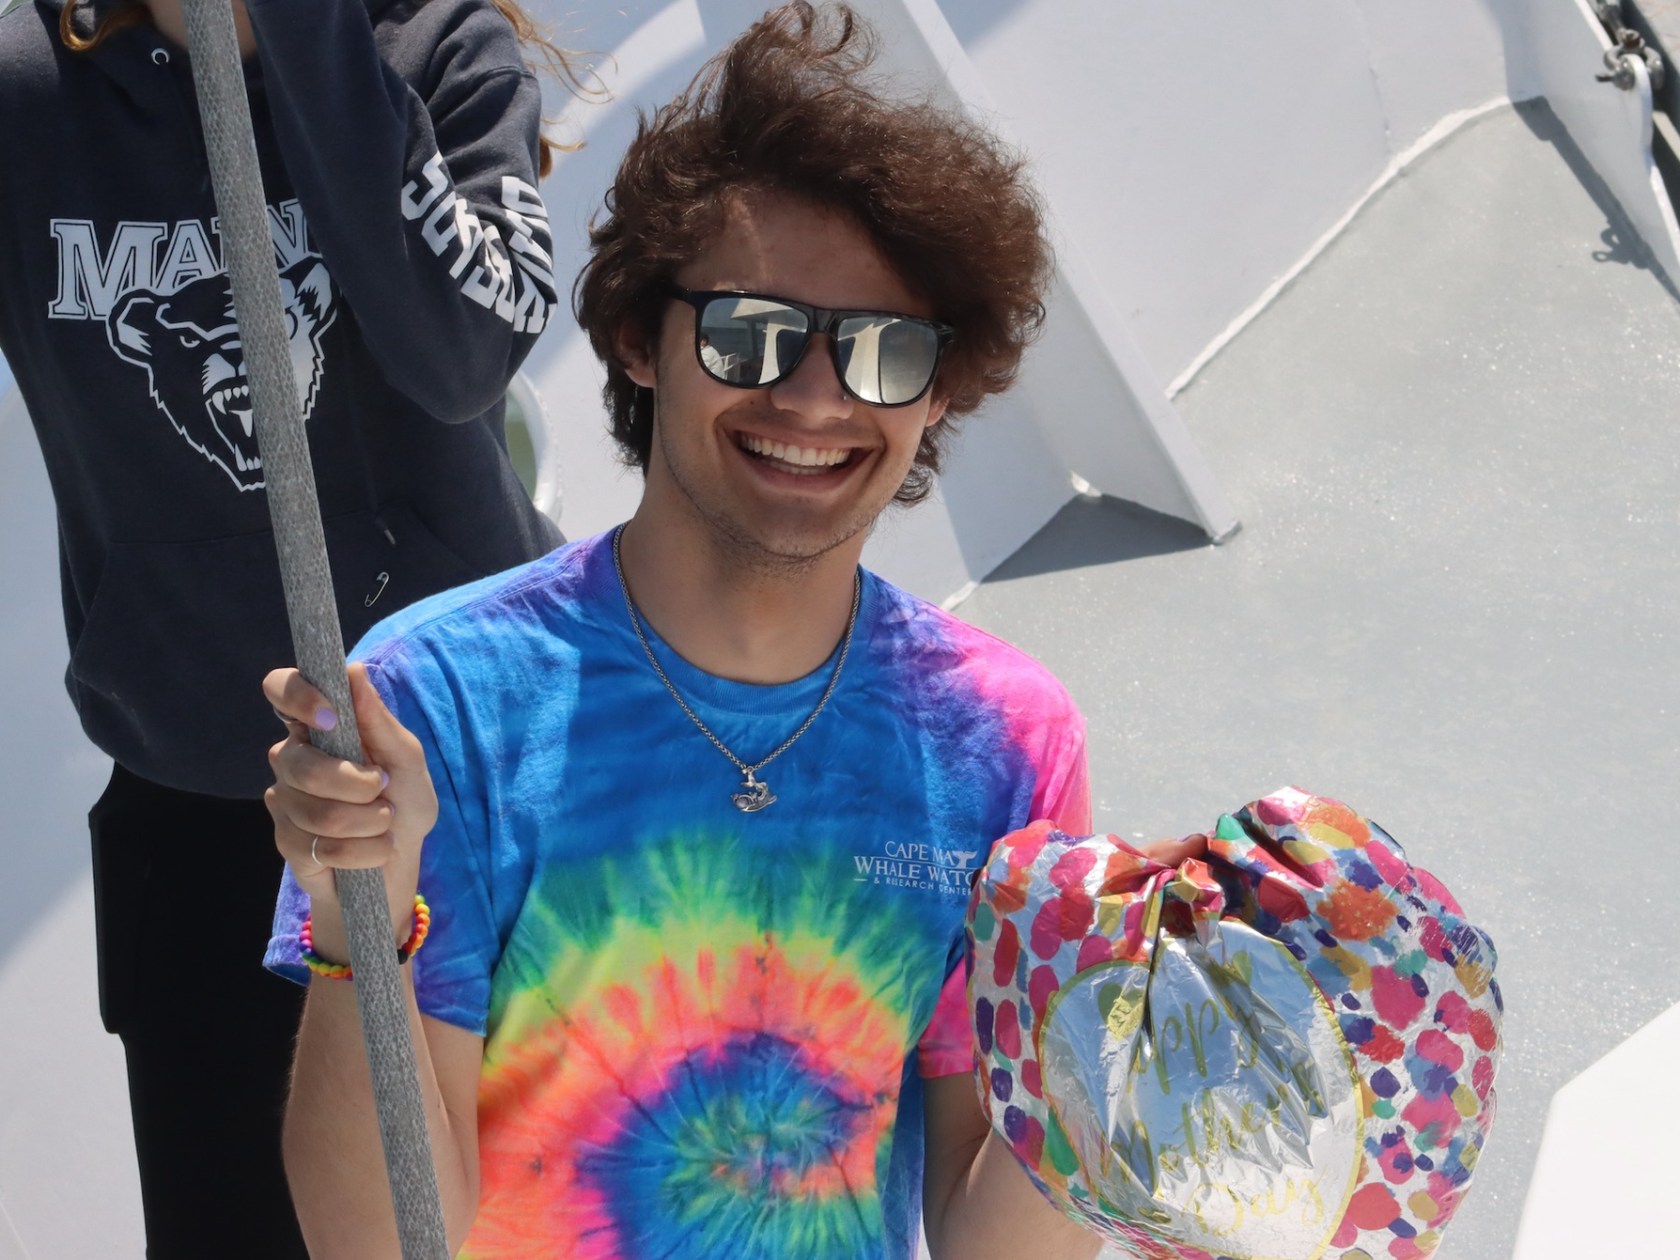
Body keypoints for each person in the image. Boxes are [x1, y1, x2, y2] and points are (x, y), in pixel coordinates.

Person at [265, 4, 1176, 1256]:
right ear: (642, 340)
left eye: (880, 353)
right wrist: (352, 918)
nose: (813, 397)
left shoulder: (1006, 738)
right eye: (748, 334)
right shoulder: (433, 704)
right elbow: (379, 1244)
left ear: (940, 391)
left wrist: (1101, 1026)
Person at [0, 0, 577, 1252]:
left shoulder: (437, 50)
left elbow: (465, 351)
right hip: (206, 829)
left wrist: (313, 41)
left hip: (505, 801)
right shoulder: (27, 84)